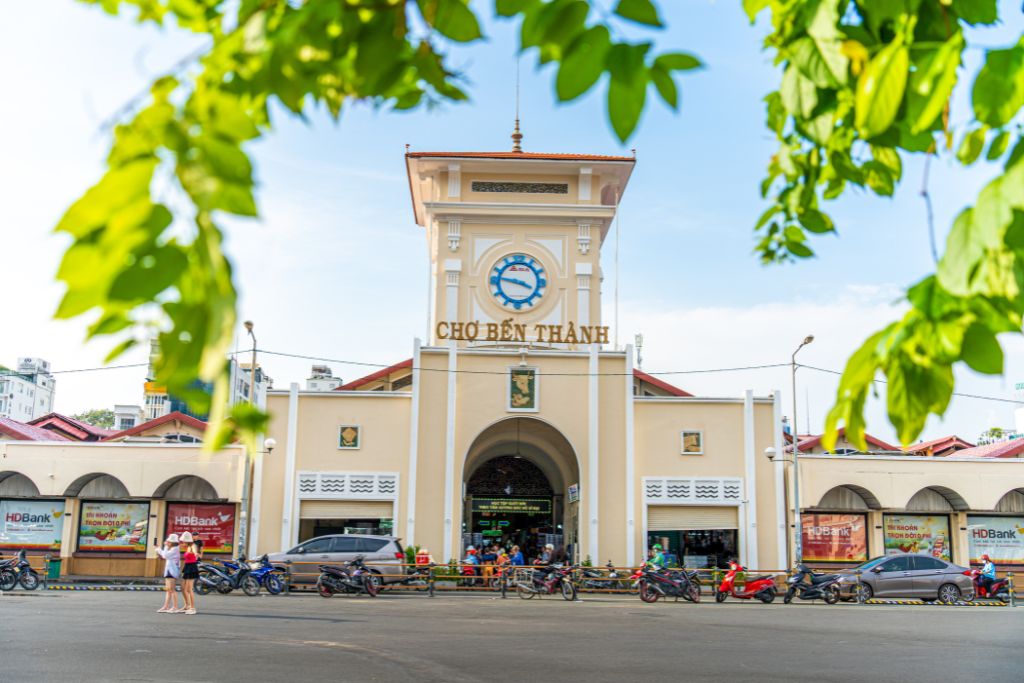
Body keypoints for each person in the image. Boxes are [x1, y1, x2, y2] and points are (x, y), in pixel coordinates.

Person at [156, 534, 181, 613]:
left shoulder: (175, 549)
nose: (167, 542)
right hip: (169, 570)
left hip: (172, 571)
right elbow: (164, 555)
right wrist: (158, 549)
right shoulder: (172, 548)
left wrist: (160, 548)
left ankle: (175, 607)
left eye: (168, 541)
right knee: (168, 590)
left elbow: (165, 555)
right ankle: (166, 606)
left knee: (172, 589)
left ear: (172, 542)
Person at [180, 531, 200, 615]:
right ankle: (186, 605)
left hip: (192, 568)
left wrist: (196, 554)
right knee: (183, 588)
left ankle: (192, 607)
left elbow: (195, 552)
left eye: (184, 540)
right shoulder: (187, 547)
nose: (183, 542)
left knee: (189, 589)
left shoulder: (193, 545)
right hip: (187, 567)